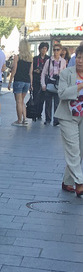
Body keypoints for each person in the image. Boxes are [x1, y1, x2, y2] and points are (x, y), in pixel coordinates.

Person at [54, 43, 83, 196]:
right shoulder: (66, 73)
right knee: (73, 150)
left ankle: (67, 181)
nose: (80, 61)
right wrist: (79, 87)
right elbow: (62, 94)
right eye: (78, 57)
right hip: (68, 116)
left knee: (80, 152)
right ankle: (80, 182)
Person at [7, 39, 33, 126]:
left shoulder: (17, 57)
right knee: (22, 101)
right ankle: (25, 119)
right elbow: (30, 72)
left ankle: (19, 120)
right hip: (27, 81)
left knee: (18, 101)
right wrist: (31, 84)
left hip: (18, 80)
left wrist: (10, 81)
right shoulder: (30, 59)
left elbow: (14, 70)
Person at [41, 42, 67, 126]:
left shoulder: (63, 61)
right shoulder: (49, 61)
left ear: (61, 51)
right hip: (50, 82)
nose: (56, 52)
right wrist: (43, 84)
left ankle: (56, 120)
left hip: (58, 84)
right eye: (54, 50)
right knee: (48, 103)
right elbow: (43, 73)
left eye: (57, 50)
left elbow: (65, 74)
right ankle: (48, 119)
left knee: (57, 103)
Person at [32, 42, 50, 122]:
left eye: (45, 48)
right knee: (36, 97)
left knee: (42, 99)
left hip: (45, 81)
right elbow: (31, 69)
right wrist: (35, 71)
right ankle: (34, 114)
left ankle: (39, 113)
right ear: (39, 49)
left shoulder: (49, 59)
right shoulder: (35, 58)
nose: (44, 50)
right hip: (36, 80)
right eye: (42, 48)